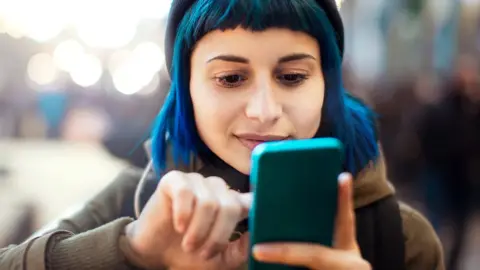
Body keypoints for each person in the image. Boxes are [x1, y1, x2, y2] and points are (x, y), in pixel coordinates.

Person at [0, 0, 444, 269]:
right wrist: (132, 251)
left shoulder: (401, 237)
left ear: (327, 83)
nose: (265, 111)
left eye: (292, 77)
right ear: (186, 89)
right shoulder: (136, 198)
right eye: (231, 78)